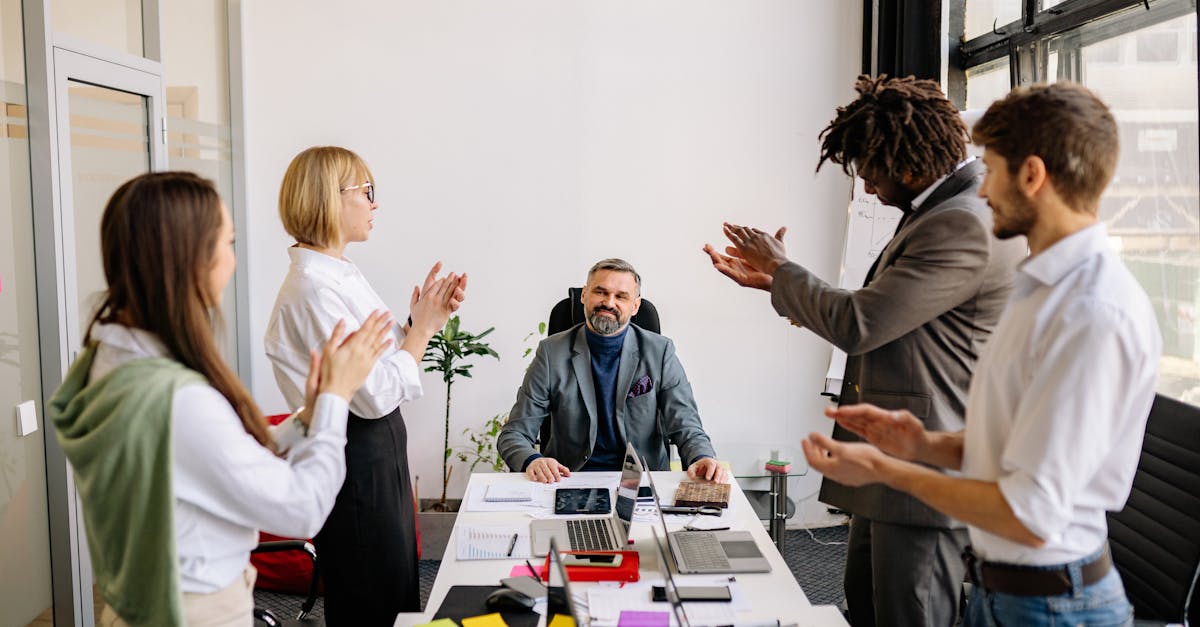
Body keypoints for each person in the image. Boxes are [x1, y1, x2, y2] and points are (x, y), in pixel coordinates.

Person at [803, 82, 1160, 626]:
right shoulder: (1041, 287)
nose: (983, 190)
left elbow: (1029, 514)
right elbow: (1019, 443)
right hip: (1010, 595)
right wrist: (923, 443)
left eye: (989, 170)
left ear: (1033, 175)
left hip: (1052, 606)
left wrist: (888, 470)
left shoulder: (1092, 313)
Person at [703, 75, 1026, 626]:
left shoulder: (961, 222)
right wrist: (774, 287)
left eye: (866, 168)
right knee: (868, 606)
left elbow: (861, 322)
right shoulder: (939, 211)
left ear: (904, 161)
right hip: (893, 463)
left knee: (910, 615)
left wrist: (781, 267)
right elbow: (886, 311)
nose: (867, 187)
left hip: (927, 469)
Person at [48, 172, 390, 627]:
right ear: (191, 259)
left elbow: (212, 453)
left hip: (135, 601)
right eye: (229, 243)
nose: (232, 261)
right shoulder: (177, 399)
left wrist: (307, 415)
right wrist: (334, 400)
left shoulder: (104, 362)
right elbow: (302, 507)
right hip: (195, 611)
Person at [265, 146, 465, 626]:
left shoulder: (339, 272)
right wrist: (418, 335)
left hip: (377, 454)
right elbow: (374, 395)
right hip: (355, 458)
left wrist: (422, 321)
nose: (375, 204)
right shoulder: (313, 289)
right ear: (330, 200)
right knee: (370, 602)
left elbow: (382, 355)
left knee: (395, 592)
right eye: (367, 192)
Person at [498, 258, 727, 484]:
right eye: (600, 292)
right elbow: (514, 434)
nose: (609, 302)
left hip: (643, 484)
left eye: (621, 296)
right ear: (584, 295)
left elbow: (686, 424)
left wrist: (702, 457)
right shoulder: (551, 353)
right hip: (570, 480)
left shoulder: (660, 352)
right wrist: (532, 460)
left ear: (635, 306)